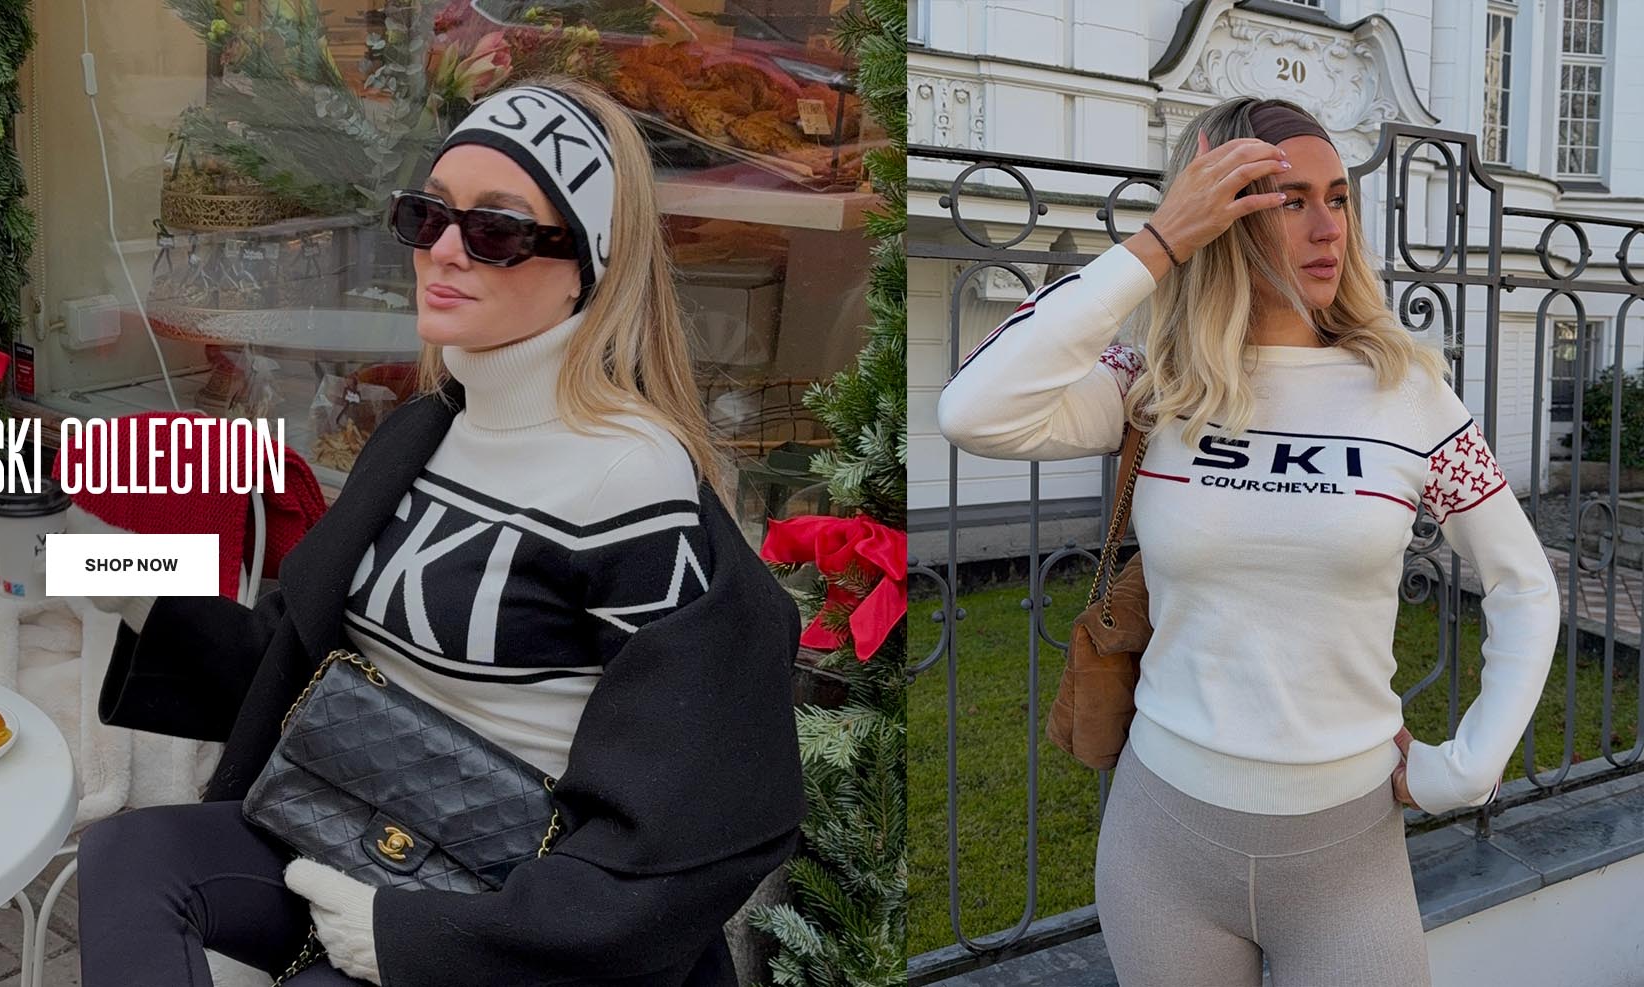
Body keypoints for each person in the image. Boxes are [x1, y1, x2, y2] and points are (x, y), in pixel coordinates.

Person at [77, 78, 805, 986]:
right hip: (344, 814)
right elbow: (294, 651)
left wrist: (415, 938)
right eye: (427, 215)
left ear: (587, 265)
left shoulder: (631, 476)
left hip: (506, 907)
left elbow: (687, 820)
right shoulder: (422, 433)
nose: (444, 251)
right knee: (126, 858)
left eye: (495, 229)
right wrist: (103, 561)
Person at [937, 96, 1559, 987]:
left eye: (1337, 199)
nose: (1327, 228)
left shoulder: (1408, 394)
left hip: (1348, 853)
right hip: (1164, 842)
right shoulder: (1155, 386)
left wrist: (1465, 770)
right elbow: (972, 410)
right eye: (1288, 200)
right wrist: (1160, 242)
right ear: (1220, 217)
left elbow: (1524, 586)